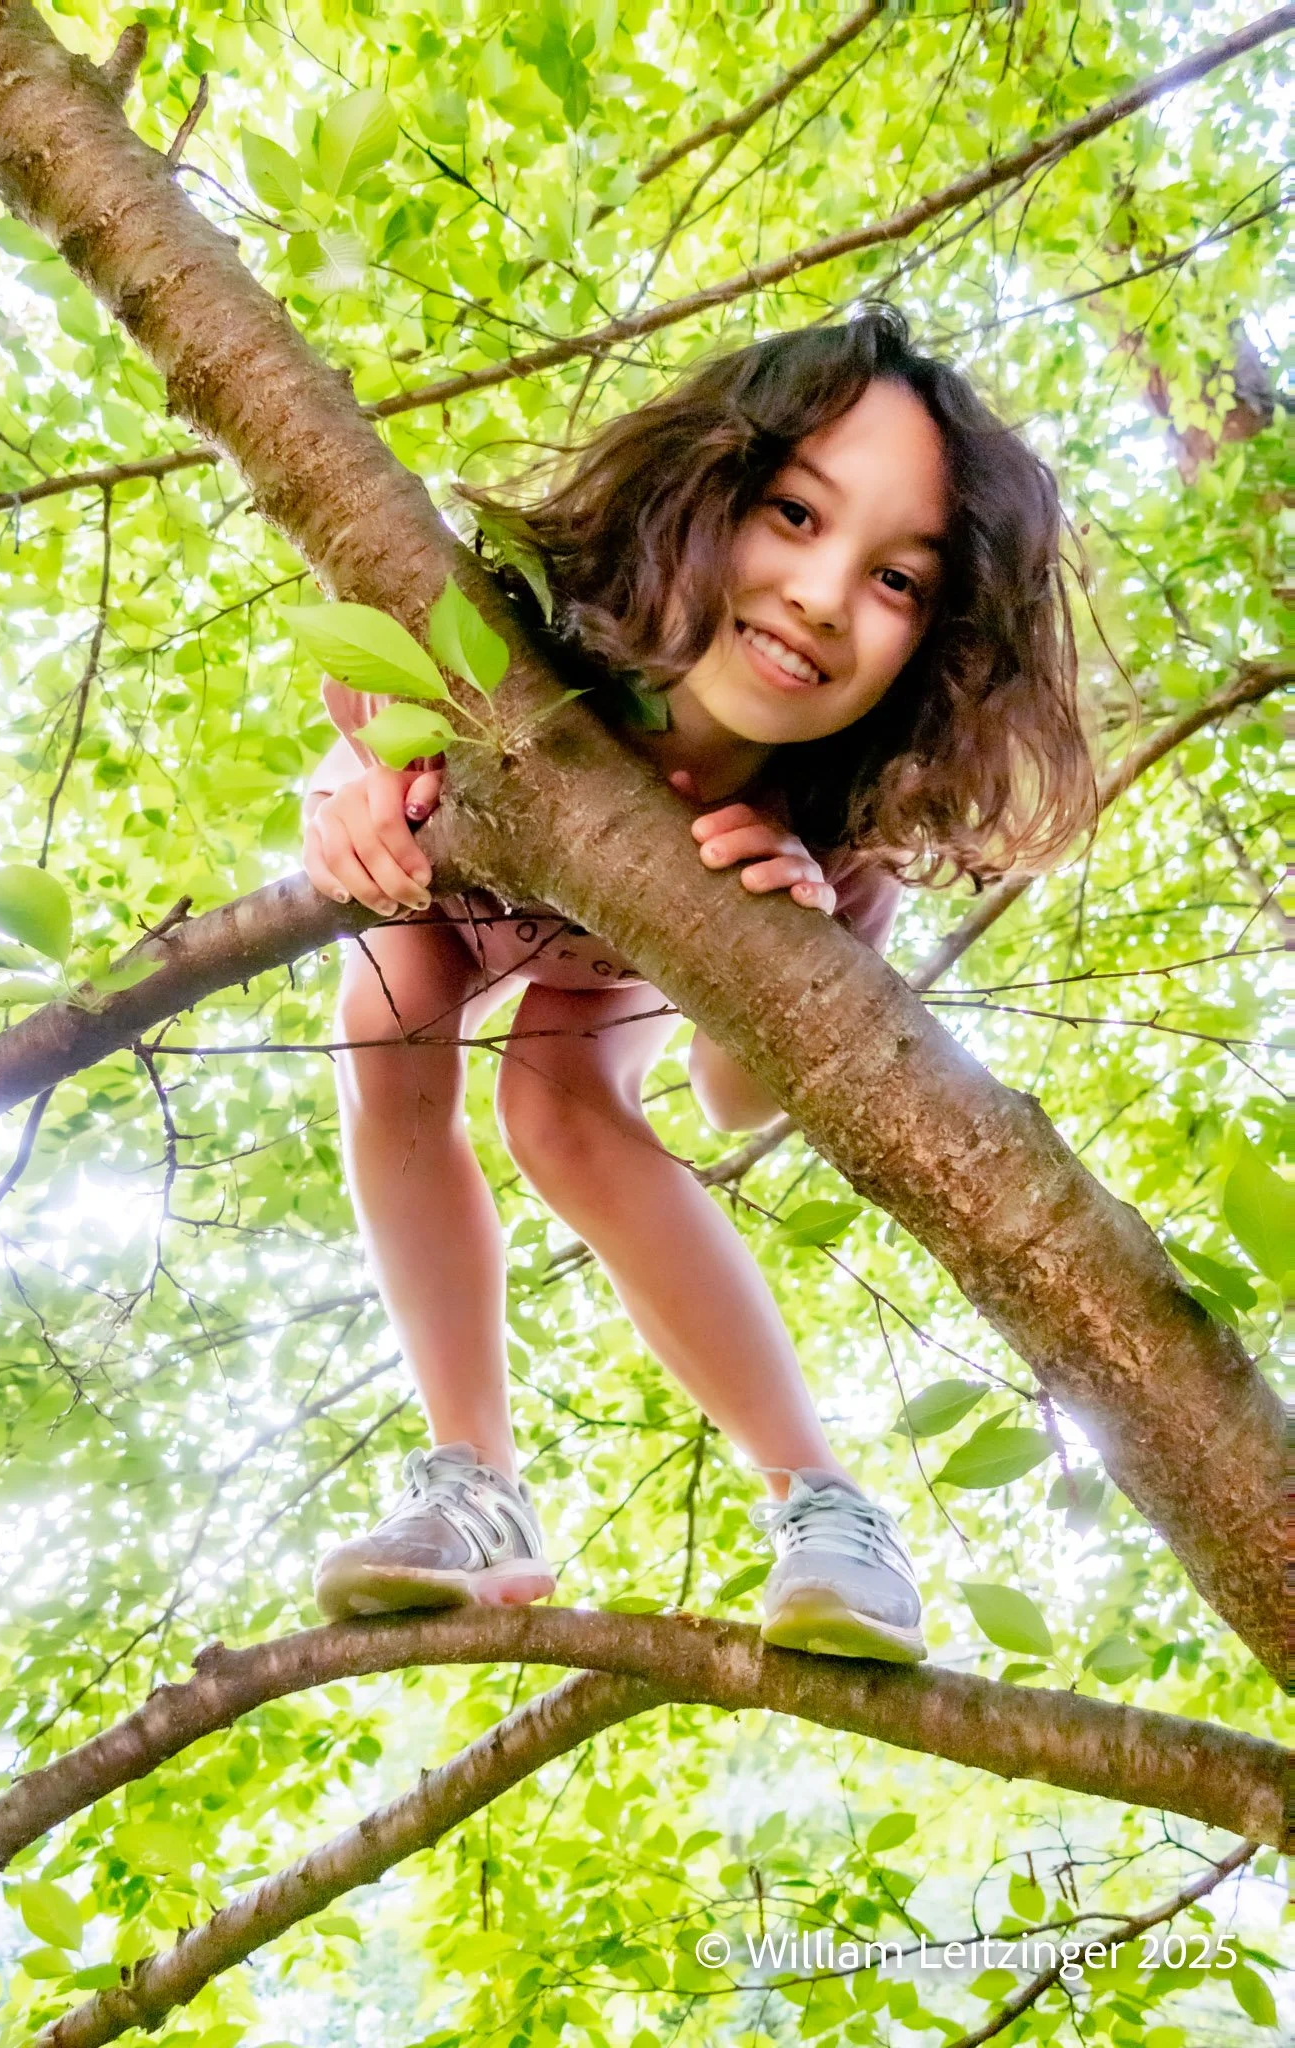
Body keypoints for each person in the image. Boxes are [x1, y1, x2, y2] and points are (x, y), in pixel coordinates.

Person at [300, 306, 1094, 1663]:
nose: (823, 595)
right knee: (387, 1015)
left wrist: (773, 940)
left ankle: (824, 1502)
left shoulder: (832, 837)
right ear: (704, 489)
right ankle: (473, 1482)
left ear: (938, 642)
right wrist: (360, 803)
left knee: (557, 1108)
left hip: (598, 980)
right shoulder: (517, 636)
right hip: (445, 885)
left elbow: (731, 1101)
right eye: (795, 514)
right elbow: (362, 704)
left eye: (896, 580)